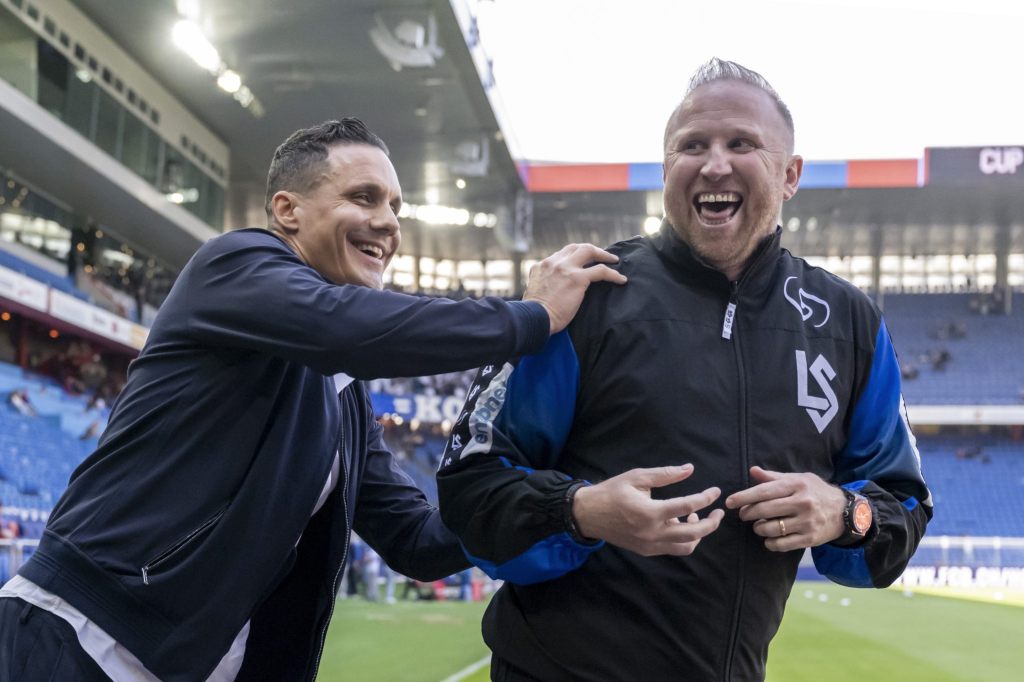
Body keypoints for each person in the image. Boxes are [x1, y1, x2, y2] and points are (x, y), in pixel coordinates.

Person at [0, 118, 626, 682]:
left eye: (396, 208)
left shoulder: (346, 402)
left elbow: (417, 539)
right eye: (363, 197)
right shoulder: (234, 265)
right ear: (287, 210)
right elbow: (347, 326)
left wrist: (564, 504)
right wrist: (533, 317)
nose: (388, 222)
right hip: (81, 635)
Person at [437, 58, 932, 681]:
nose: (714, 164)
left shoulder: (848, 323)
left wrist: (844, 513)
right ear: (667, 167)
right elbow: (469, 488)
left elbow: (902, 506)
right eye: (691, 146)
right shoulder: (584, 298)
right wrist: (580, 511)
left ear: (790, 175)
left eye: (742, 144)